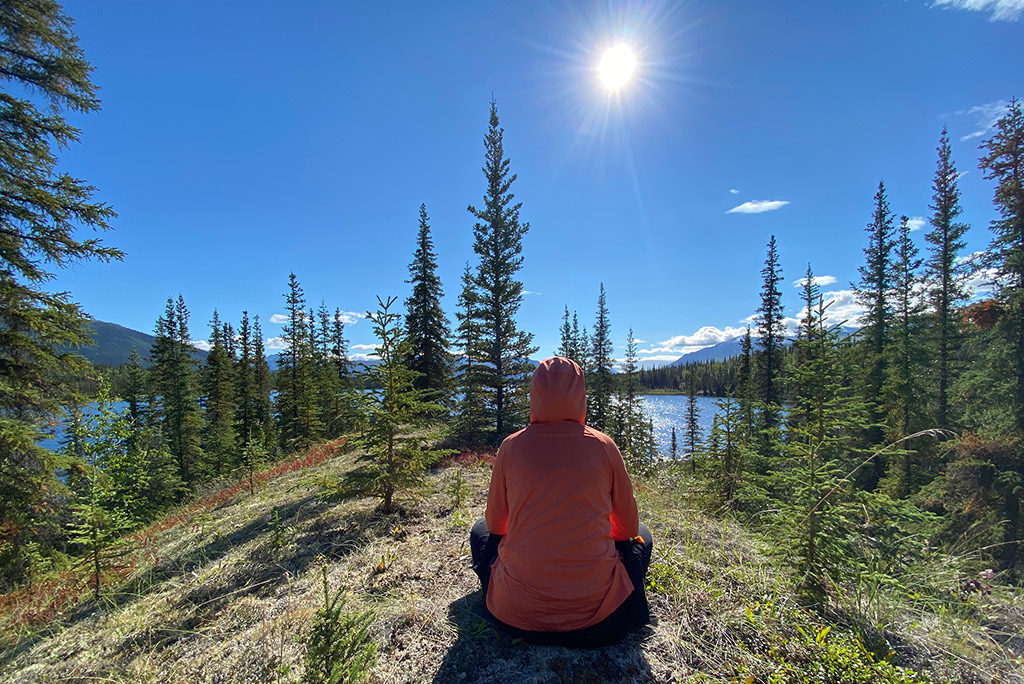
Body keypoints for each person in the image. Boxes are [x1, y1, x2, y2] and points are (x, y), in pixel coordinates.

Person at [469, 356, 653, 647]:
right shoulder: (604, 446)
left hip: (514, 617)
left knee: (479, 529)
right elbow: (627, 528)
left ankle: (503, 591)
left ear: (535, 395)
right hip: (600, 621)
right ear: (580, 396)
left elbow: (496, 524)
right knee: (643, 534)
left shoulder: (510, 446)